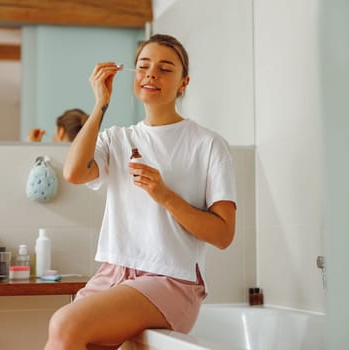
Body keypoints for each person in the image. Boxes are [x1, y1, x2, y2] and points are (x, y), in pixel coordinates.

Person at [44, 34, 237, 350]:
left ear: (183, 82)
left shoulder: (209, 145)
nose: (151, 74)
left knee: (65, 323)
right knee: (63, 335)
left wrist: (165, 196)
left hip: (171, 280)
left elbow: (223, 234)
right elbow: (73, 173)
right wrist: (100, 104)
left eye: (165, 68)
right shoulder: (118, 138)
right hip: (114, 274)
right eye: (144, 66)